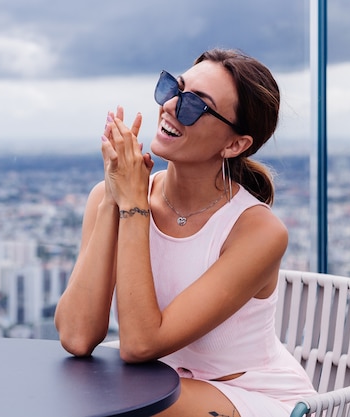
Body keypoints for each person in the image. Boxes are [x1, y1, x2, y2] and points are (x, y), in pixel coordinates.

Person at [54, 48, 316, 417]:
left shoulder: (257, 231)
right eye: (173, 89)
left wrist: (133, 206)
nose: (172, 106)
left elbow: (140, 345)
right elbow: (76, 337)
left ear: (235, 144)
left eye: (195, 105)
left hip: (247, 394)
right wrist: (113, 200)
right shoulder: (113, 197)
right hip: (158, 384)